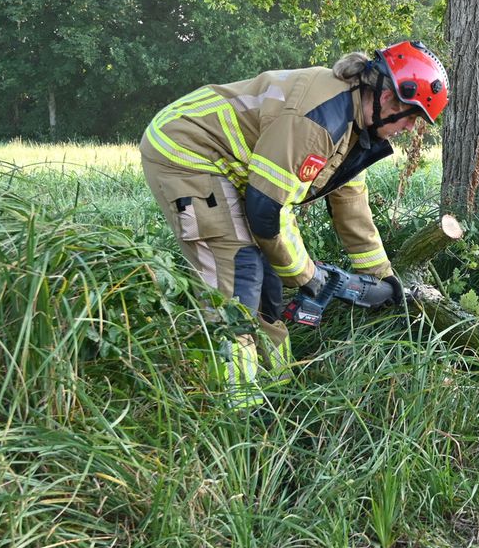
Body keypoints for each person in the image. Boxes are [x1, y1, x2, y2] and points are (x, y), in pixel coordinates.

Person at [140, 40, 449, 409]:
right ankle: (237, 412)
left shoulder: (355, 127)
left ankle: (278, 386)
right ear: (390, 98)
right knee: (239, 274)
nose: (411, 128)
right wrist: (309, 276)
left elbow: (351, 204)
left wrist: (382, 277)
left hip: (238, 170)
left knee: (268, 283)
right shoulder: (320, 119)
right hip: (189, 151)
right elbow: (268, 210)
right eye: (412, 117)